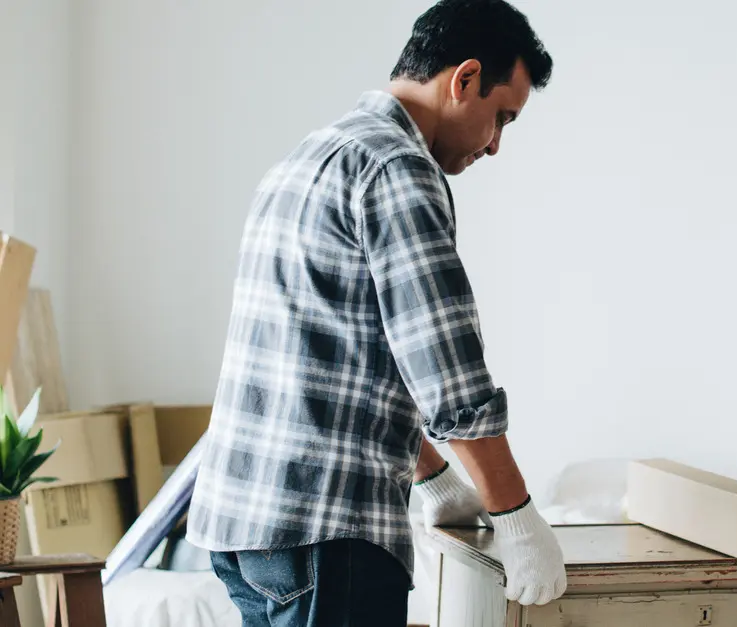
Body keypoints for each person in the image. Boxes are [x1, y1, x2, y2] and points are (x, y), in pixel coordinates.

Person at [186, 1, 567, 624]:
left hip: (246, 528)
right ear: (463, 78)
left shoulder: (312, 155)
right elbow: (448, 373)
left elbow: (344, 354)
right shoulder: (398, 167)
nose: (496, 145)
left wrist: (433, 475)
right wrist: (515, 515)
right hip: (324, 534)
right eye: (501, 117)